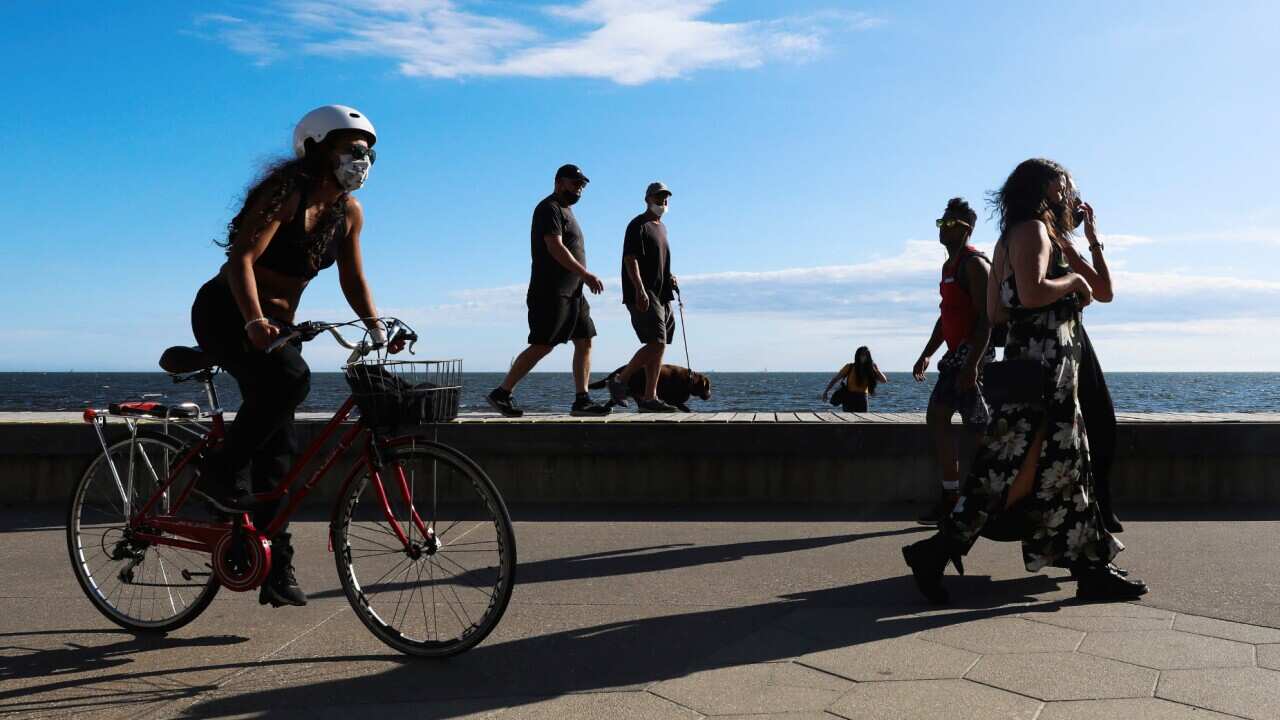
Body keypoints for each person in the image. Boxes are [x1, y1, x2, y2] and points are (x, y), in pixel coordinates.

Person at [901, 158, 1146, 604]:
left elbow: (998, 311)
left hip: (1032, 365)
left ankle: (1089, 568)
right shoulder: (1032, 229)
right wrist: (1071, 282)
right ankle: (935, 552)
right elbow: (1032, 292)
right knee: (1024, 470)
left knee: (1055, 467)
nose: (1070, 192)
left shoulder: (1021, 235)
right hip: (1046, 368)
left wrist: (1088, 243)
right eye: (1063, 185)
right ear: (1043, 188)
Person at [192, 105, 399, 608]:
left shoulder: (347, 211)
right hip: (227, 313)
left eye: (367, 150)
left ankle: (271, 565)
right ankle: (217, 473)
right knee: (289, 380)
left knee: (279, 450)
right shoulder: (285, 193)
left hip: (277, 328)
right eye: (350, 148)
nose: (361, 158)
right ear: (316, 148)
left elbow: (352, 277)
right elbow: (240, 258)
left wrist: (376, 324)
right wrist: (253, 322)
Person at [487, 165, 611, 418]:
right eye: (575, 183)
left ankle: (581, 399)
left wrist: (580, 281)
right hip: (550, 291)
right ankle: (501, 392)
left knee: (585, 340)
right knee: (543, 344)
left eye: (582, 185)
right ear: (558, 182)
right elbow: (554, 247)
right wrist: (585, 274)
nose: (579, 189)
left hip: (574, 293)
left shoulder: (567, 211)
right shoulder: (549, 208)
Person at [912, 198, 994, 525]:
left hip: (972, 355)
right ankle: (956, 497)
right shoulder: (949, 267)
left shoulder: (974, 265)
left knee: (972, 427)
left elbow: (987, 318)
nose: (943, 229)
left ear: (967, 229)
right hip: (954, 354)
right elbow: (945, 317)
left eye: (950, 224)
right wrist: (927, 352)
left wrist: (974, 363)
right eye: (940, 223)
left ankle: (966, 500)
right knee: (946, 420)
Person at [1060, 184, 1124, 533]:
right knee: (1098, 422)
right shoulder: (1056, 241)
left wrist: (1093, 239)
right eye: (1071, 201)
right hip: (1063, 340)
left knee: (1100, 422)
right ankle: (1097, 509)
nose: (1078, 208)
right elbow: (1104, 292)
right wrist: (1090, 239)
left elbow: (1104, 292)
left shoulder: (1060, 242)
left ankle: (1099, 505)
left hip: (1073, 337)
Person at [608, 182, 680, 412]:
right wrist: (638, 288)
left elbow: (657, 261)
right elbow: (631, 259)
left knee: (660, 345)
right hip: (644, 292)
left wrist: (670, 277)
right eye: (659, 198)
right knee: (656, 342)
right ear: (647, 199)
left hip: (662, 294)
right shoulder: (638, 224)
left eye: (666, 198)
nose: (663, 202)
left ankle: (650, 398)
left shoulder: (662, 228)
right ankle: (620, 380)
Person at [822, 346, 888, 412]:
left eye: (866, 355)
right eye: (862, 354)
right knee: (849, 419)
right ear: (858, 356)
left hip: (862, 398)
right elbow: (835, 379)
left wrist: (876, 369)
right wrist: (826, 391)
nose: (864, 357)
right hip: (849, 397)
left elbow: (884, 380)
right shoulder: (850, 367)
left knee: (862, 420)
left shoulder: (871, 369)